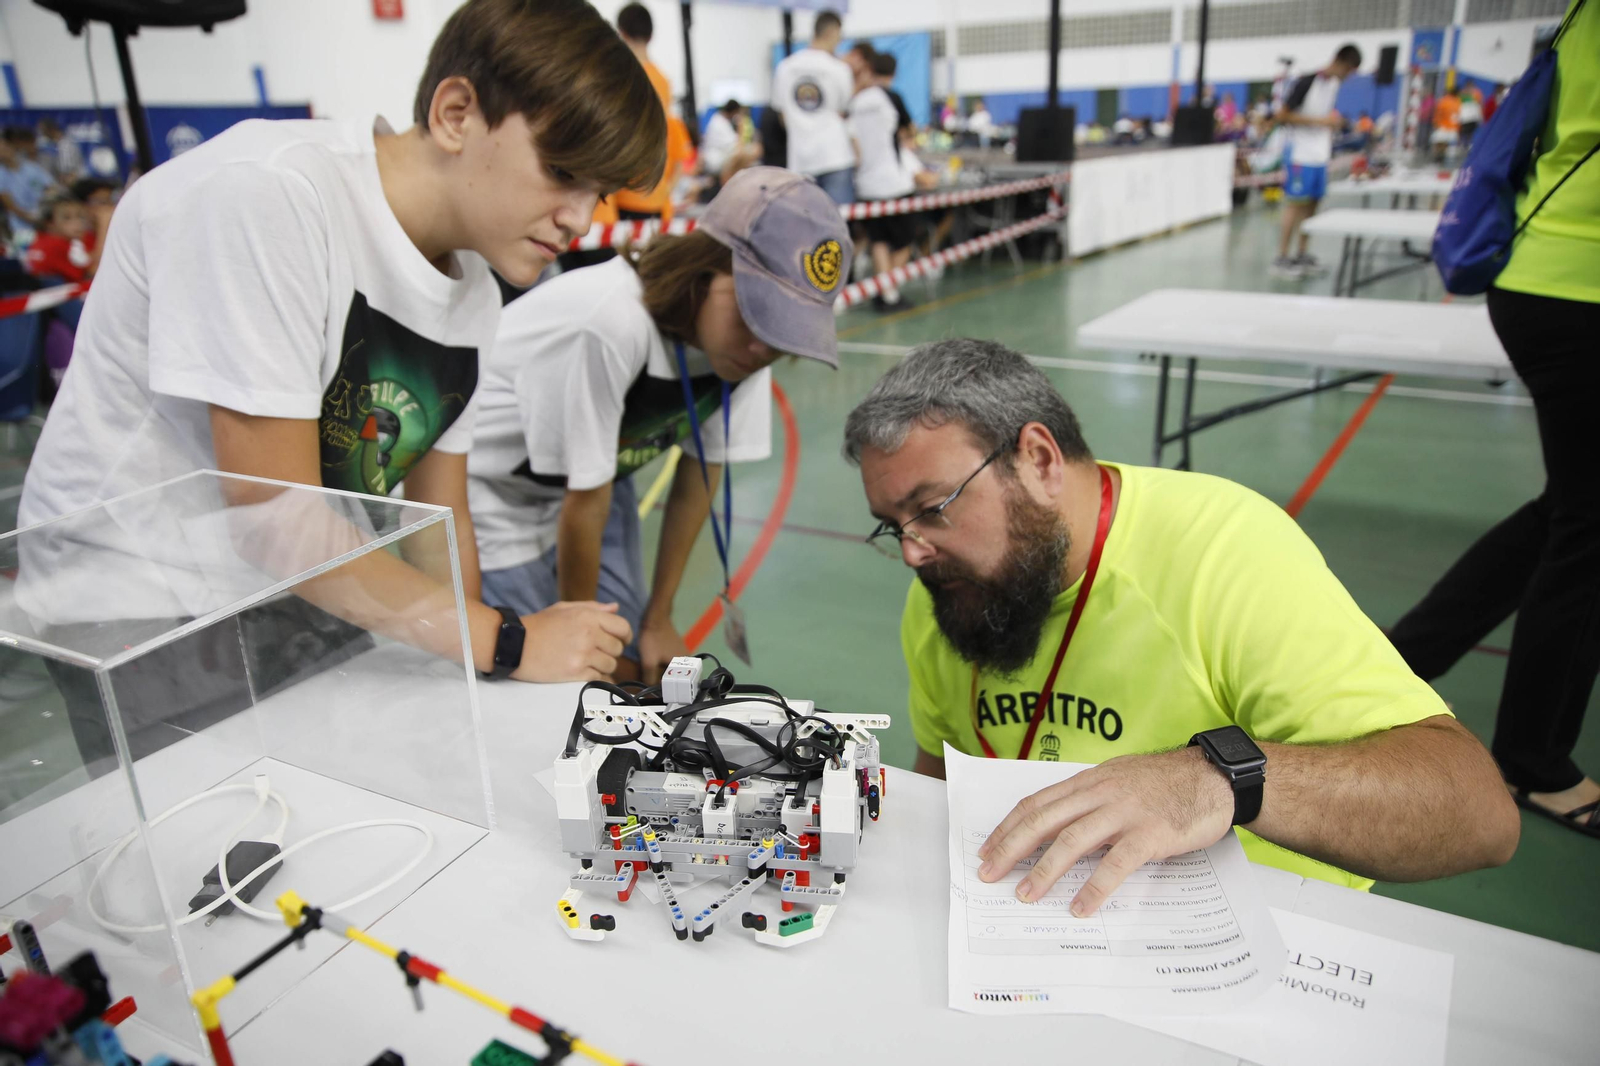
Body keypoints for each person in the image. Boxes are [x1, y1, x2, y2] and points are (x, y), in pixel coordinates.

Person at [19, 0, 668, 690]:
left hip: (279, 601)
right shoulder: (272, 194)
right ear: (455, 114)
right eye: (564, 173)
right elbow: (275, 517)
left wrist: (485, 670)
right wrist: (505, 642)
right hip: (139, 605)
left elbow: (437, 517)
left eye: (597, 195)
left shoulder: (472, 291)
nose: (577, 217)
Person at [842, 339, 1518, 911]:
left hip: (1249, 930)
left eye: (933, 508)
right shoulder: (952, 590)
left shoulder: (1225, 552)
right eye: (890, 525)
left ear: (1040, 461)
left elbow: (1479, 816)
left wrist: (1219, 779)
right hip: (1041, 916)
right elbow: (939, 774)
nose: (911, 551)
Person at [467, 168, 850, 681]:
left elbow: (700, 477)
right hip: (495, 496)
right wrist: (579, 655)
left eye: (783, 328)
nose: (764, 348)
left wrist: (660, 617)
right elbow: (584, 500)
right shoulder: (610, 322)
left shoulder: (747, 348)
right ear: (705, 270)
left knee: (629, 658)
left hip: (600, 480)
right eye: (755, 313)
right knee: (541, 675)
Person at [1388, 0, 1600, 841]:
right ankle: (1533, 757)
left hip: (1547, 274)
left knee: (1571, 509)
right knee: (1589, 523)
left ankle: (1404, 659)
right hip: (1581, 288)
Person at [1272, 43, 1362, 279]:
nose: (1348, 77)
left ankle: (1302, 254)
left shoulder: (1333, 85)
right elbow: (1282, 115)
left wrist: (1333, 122)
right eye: (1348, 71)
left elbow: (1325, 115)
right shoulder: (1306, 81)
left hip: (1320, 155)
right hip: (1300, 154)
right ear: (1340, 62)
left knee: (1312, 205)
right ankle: (1281, 257)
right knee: (1295, 204)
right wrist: (1321, 122)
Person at [849, 51, 917, 311]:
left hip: (865, 184)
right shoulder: (891, 97)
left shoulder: (856, 101)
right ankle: (889, 289)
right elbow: (910, 130)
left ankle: (884, 293)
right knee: (906, 240)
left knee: (878, 240)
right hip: (893, 182)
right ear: (894, 72)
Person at [612, 3, 688, 224]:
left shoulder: (618, 79)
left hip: (624, 194)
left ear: (621, 33)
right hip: (655, 192)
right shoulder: (663, 82)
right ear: (651, 35)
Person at [772, 9, 856, 204]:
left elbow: (782, 115)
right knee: (836, 226)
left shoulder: (785, 67)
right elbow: (844, 110)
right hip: (836, 157)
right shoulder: (839, 69)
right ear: (833, 32)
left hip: (800, 160)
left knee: (805, 227)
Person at [24, 194, 111, 332]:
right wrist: (104, 226)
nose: (77, 223)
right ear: (50, 224)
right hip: (67, 316)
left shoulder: (43, 241)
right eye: (67, 218)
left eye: (80, 217)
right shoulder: (54, 245)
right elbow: (93, 271)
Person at [700, 100, 761, 194]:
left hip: (723, 153)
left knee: (749, 152)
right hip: (717, 157)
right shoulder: (718, 123)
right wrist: (740, 128)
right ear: (734, 112)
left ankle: (739, 184)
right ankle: (730, 187)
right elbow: (736, 144)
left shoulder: (722, 121)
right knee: (744, 154)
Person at [36, 117, 84, 184]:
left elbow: (67, 172)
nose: (43, 134)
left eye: (43, 131)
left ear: (51, 130)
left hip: (71, 182)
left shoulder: (66, 146)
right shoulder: (51, 144)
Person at [1431, 88, 1461, 163]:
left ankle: (1440, 158)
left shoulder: (1449, 101)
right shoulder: (1454, 102)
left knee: (1442, 143)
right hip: (1448, 126)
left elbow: (1439, 112)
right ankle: (1440, 157)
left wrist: (1436, 121)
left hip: (1447, 126)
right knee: (1443, 143)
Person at [1458, 84, 1483, 152]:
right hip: (1464, 118)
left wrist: (1479, 118)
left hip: (1472, 118)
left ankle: (1467, 144)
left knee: (1469, 132)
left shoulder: (1476, 94)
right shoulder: (1463, 94)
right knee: (1463, 132)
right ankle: (1461, 144)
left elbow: (1479, 105)